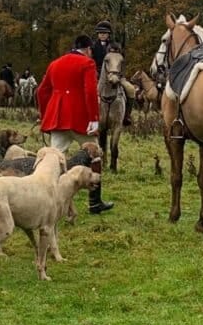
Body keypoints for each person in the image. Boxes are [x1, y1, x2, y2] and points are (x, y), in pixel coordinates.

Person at [36, 33, 113, 213]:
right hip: (80, 118)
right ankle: (95, 202)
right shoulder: (87, 63)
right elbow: (89, 92)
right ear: (87, 49)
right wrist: (94, 118)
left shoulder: (54, 63)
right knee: (95, 156)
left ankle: (47, 201)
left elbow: (41, 92)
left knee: (54, 160)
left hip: (57, 118)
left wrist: (45, 113)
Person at [91, 19, 133, 127]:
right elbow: (91, 61)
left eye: (104, 33)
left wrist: (121, 75)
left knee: (131, 89)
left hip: (116, 74)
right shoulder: (93, 47)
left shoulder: (116, 46)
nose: (102, 35)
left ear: (108, 34)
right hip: (98, 75)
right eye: (100, 33)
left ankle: (127, 116)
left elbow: (122, 62)